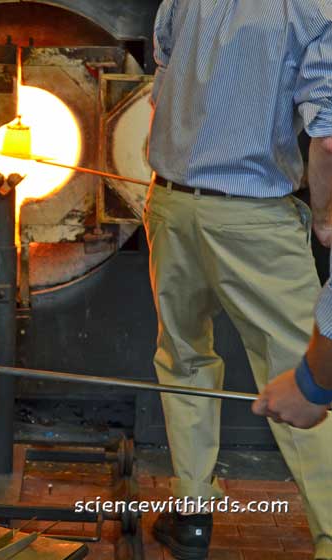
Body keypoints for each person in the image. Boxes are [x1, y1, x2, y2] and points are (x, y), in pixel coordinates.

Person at [144, 1, 332, 559]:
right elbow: (328, 138)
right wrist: (324, 216)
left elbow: (161, 84)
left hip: (170, 203)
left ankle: (192, 514)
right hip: (255, 217)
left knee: (182, 357)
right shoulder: (313, 8)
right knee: (307, 371)